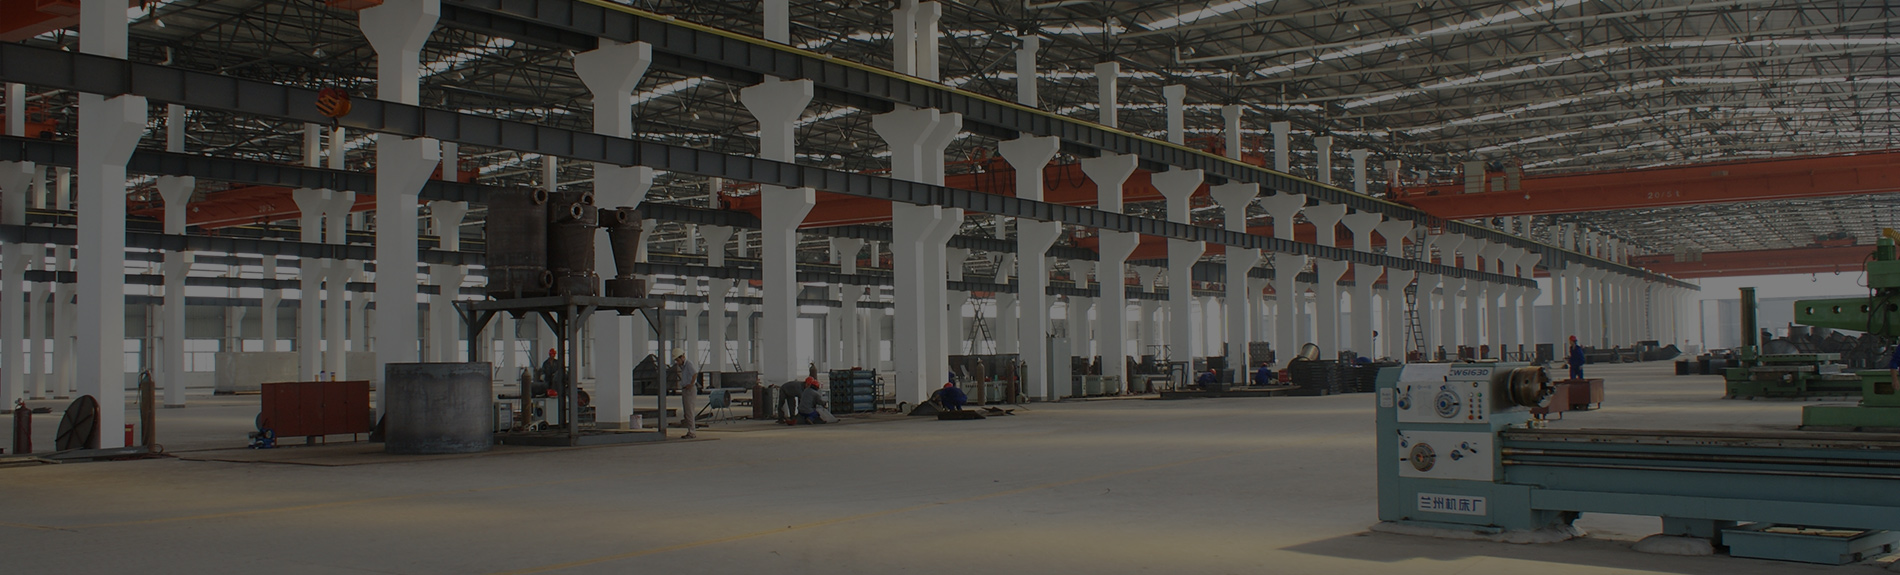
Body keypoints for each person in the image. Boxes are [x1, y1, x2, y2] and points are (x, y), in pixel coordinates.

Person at [671, 351, 699, 438]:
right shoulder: (683, 366)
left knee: (689, 412)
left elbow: (695, 374)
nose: (677, 362)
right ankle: (690, 431)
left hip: (690, 390)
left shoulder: (689, 364)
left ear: (682, 357)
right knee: (687, 412)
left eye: (677, 360)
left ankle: (692, 432)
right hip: (685, 389)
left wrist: (691, 384)